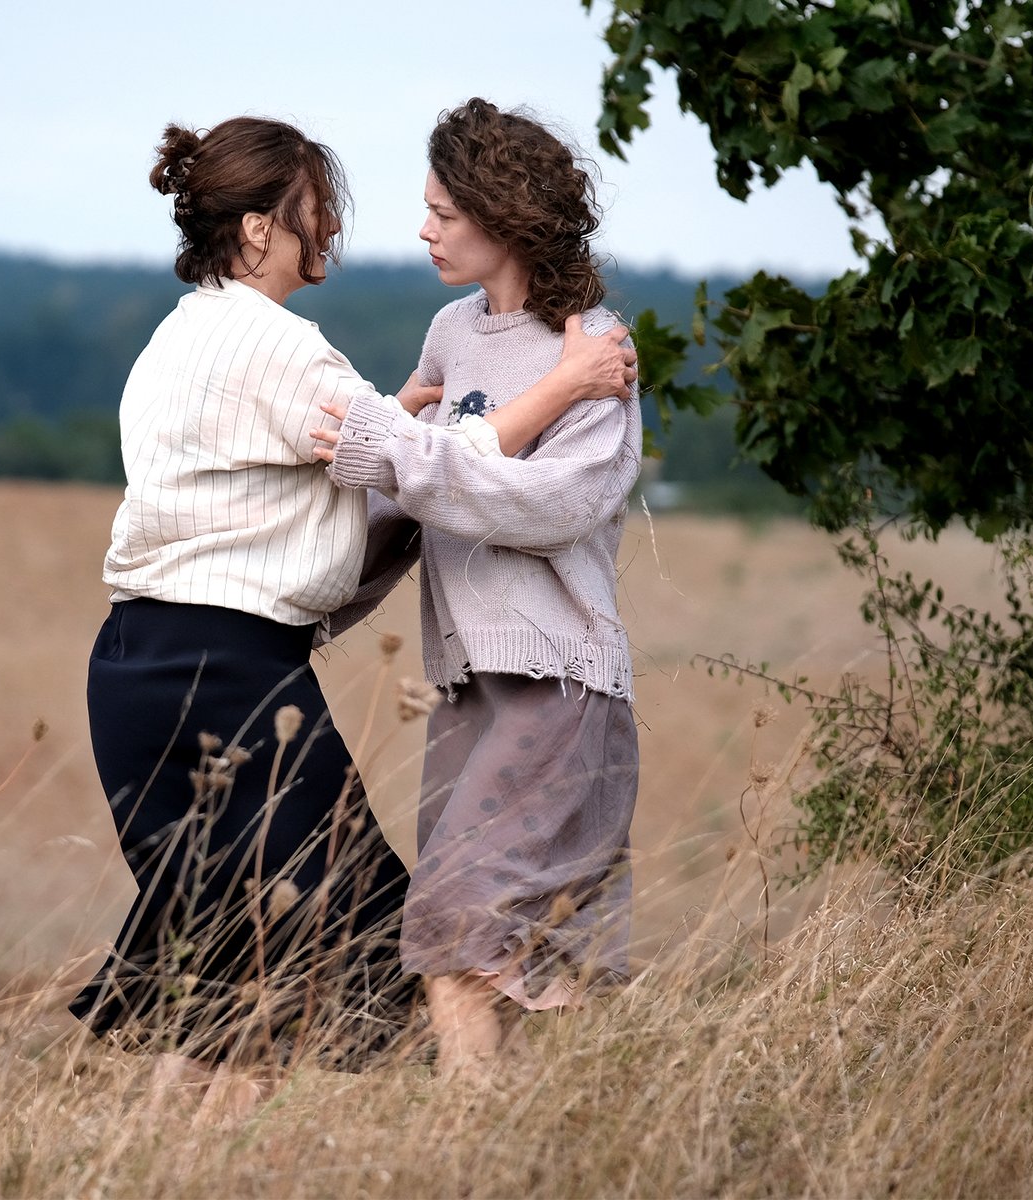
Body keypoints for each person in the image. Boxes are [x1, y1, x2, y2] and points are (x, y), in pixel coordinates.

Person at [69, 113, 636, 1115]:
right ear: (258, 229)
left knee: (231, 952)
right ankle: (482, 1144)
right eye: (314, 206)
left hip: (135, 666)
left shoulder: (177, 333)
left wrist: (408, 417)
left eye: (439, 210)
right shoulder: (287, 350)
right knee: (340, 938)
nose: (334, 224)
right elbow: (426, 474)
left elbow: (394, 477)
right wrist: (554, 388)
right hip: (230, 669)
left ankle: (163, 1162)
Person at [311, 98, 644, 1076]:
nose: (424, 230)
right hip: (465, 687)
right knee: (492, 937)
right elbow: (411, 499)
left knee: (456, 921)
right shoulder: (451, 332)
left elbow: (550, 505)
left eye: (444, 213)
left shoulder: (595, 346)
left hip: (559, 683)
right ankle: (536, 1124)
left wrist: (392, 446)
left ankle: (473, 1133)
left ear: (505, 216)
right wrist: (299, 610)